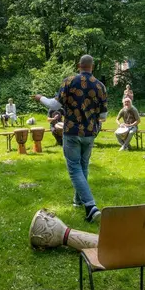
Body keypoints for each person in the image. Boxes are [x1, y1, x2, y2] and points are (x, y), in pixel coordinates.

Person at [56, 55, 107, 222]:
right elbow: (104, 115)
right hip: (89, 133)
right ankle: (78, 200)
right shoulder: (100, 86)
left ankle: (90, 206)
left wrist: (39, 98)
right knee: (83, 166)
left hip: (71, 131)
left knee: (74, 168)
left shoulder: (69, 81)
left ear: (79, 65)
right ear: (93, 66)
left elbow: (54, 105)